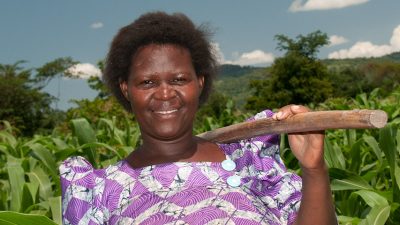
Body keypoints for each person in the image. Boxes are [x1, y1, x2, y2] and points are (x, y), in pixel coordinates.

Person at [60, 11, 337, 225]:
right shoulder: (100, 192)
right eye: (147, 82)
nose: (165, 93)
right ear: (126, 89)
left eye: (179, 79)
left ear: (200, 83)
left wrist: (313, 169)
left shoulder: (246, 161)